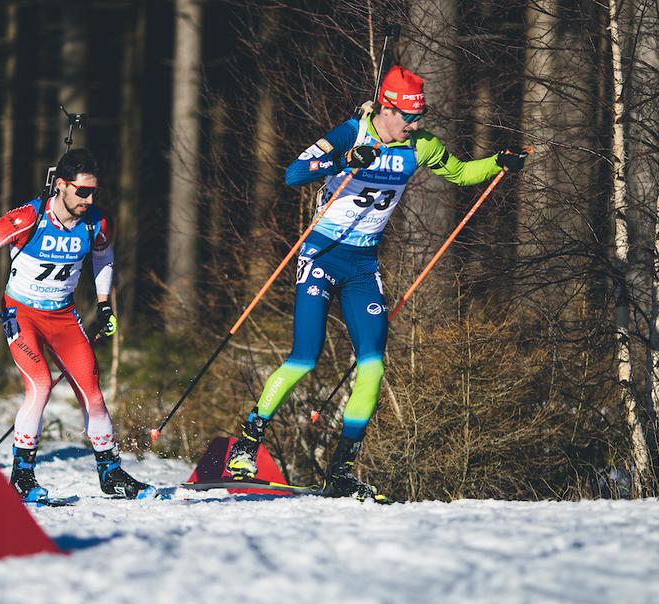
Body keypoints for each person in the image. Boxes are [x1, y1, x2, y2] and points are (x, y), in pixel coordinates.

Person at [225, 66, 527, 499]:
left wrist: (498, 161)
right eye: (409, 116)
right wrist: (345, 160)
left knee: (373, 365)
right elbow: (294, 173)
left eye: (420, 116)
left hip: (363, 265)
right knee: (304, 358)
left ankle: (341, 470)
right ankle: (247, 443)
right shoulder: (351, 132)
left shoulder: (421, 146)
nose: (416, 125)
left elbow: (461, 174)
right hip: (322, 254)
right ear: (386, 108)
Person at [0, 149, 155, 502]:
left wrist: (105, 304)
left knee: (93, 393)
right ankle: (22, 475)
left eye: (94, 191)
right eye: (82, 191)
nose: (90, 199)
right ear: (62, 186)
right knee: (41, 385)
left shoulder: (95, 222)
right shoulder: (29, 217)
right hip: (22, 313)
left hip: (63, 316)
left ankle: (110, 473)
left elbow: (104, 256)